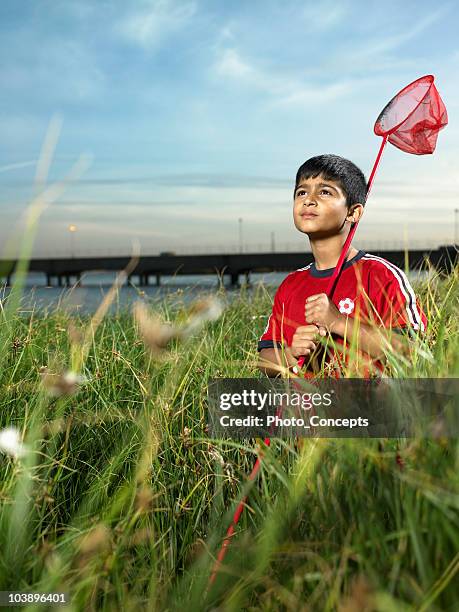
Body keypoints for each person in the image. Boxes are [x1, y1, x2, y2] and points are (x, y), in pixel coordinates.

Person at [257, 154, 427, 378]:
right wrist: (290, 353)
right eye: (302, 192)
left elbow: (412, 350)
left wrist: (338, 322)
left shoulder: (381, 275)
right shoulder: (291, 284)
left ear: (353, 212)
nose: (309, 199)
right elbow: (263, 360)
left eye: (325, 191)